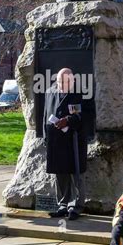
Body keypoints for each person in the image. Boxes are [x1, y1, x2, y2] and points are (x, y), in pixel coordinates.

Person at [43, 68, 95, 220]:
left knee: (76, 174)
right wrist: (46, 136)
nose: (61, 85)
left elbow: (89, 115)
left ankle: (75, 206)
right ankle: (62, 205)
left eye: (65, 82)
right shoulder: (50, 91)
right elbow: (45, 114)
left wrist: (69, 120)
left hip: (74, 140)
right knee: (60, 174)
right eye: (59, 81)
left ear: (72, 80)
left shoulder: (82, 93)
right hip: (56, 140)